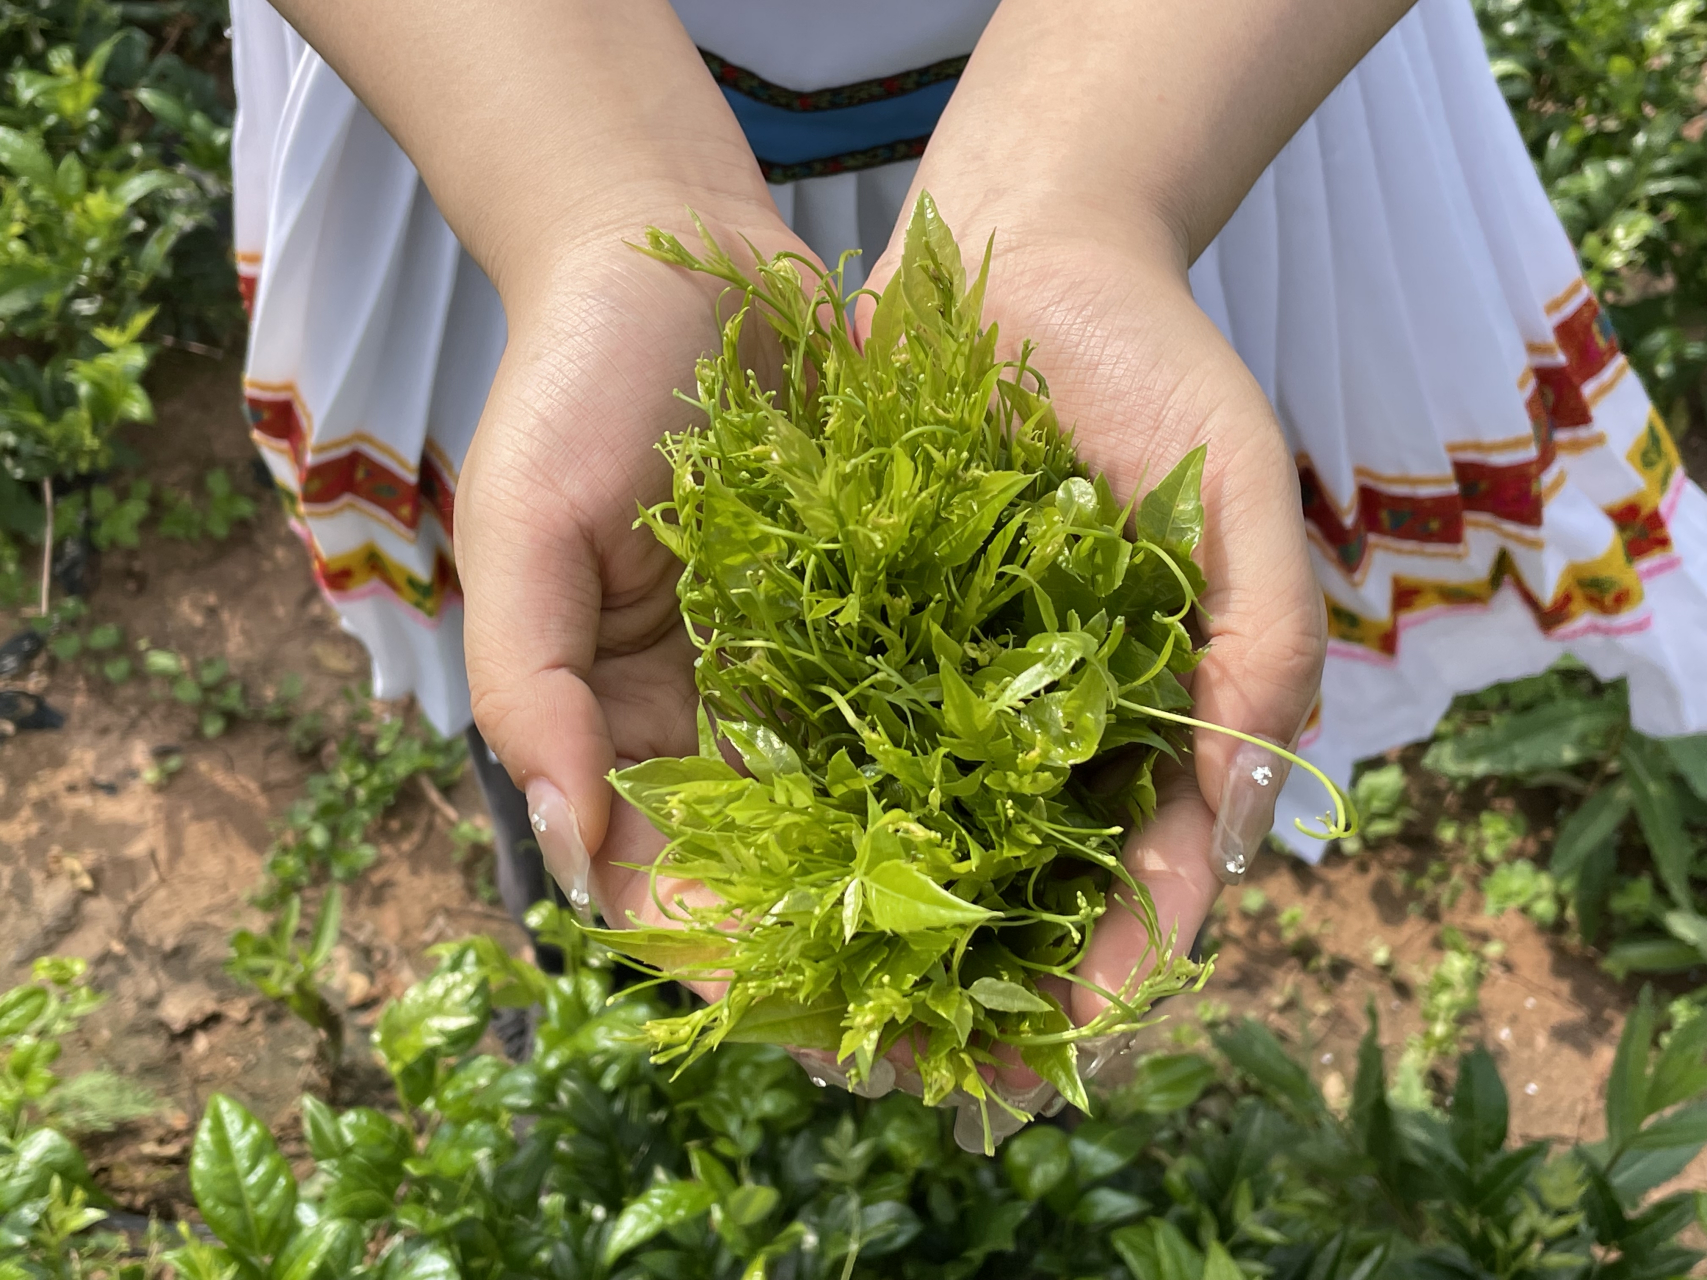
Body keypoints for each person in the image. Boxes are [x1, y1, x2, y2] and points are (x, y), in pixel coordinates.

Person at [229, 0, 1707, 1130]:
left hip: (1189, 76)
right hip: (490, 85)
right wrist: (598, 187)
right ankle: (590, 973)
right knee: (572, 608)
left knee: (1153, 608)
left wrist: (1087, 180)